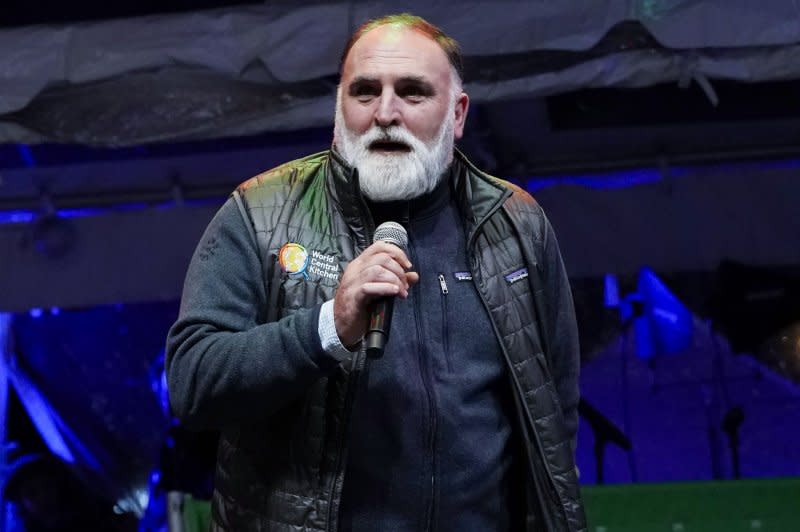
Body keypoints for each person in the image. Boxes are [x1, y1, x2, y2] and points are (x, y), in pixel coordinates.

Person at [166, 13, 586, 532]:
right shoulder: (259, 214)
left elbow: (555, 404)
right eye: (365, 92)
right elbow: (192, 383)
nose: (386, 113)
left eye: (412, 93)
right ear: (339, 109)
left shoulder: (516, 222)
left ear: (456, 114)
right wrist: (325, 329)